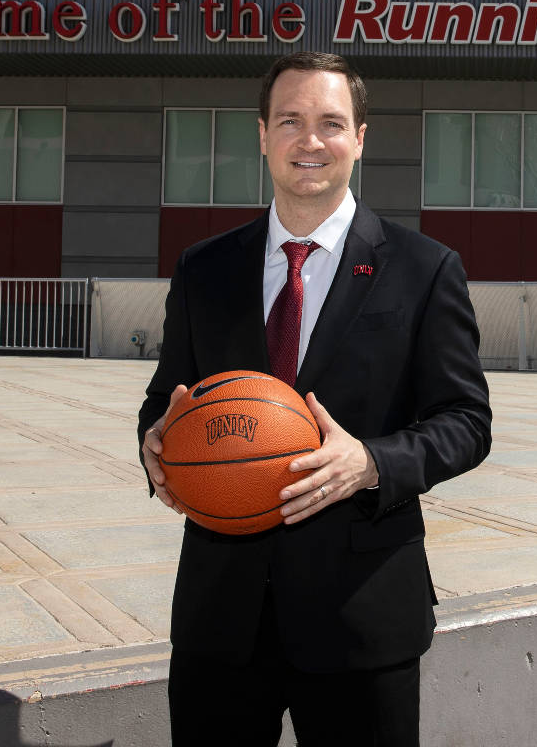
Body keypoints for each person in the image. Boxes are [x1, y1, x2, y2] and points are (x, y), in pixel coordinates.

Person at [138, 51, 491, 746]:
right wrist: (155, 444)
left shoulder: (424, 269)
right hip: (222, 617)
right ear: (263, 134)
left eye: (331, 123)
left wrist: (372, 461)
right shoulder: (205, 269)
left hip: (362, 617)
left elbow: (466, 422)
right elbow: (165, 400)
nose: (310, 140)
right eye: (291, 121)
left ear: (360, 138)